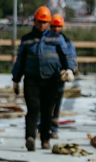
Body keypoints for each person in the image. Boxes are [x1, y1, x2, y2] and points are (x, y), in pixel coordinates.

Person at [11, 6, 74, 152]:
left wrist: (69, 69)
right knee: (33, 109)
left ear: (48, 23)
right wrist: (16, 79)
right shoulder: (27, 40)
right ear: (34, 21)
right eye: (39, 22)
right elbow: (20, 61)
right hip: (32, 80)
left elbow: (66, 56)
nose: (42, 25)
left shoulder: (56, 39)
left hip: (51, 80)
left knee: (47, 111)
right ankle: (30, 138)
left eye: (45, 22)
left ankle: (45, 139)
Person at [49, 13, 77, 139]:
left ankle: (53, 128)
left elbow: (71, 57)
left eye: (58, 27)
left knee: (57, 102)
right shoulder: (46, 40)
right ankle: (42, 126)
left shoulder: (67, 42)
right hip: (46, 75)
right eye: (54, 27)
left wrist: (70, 70)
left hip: (60, 76)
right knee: (43, 102)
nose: (56, 29)